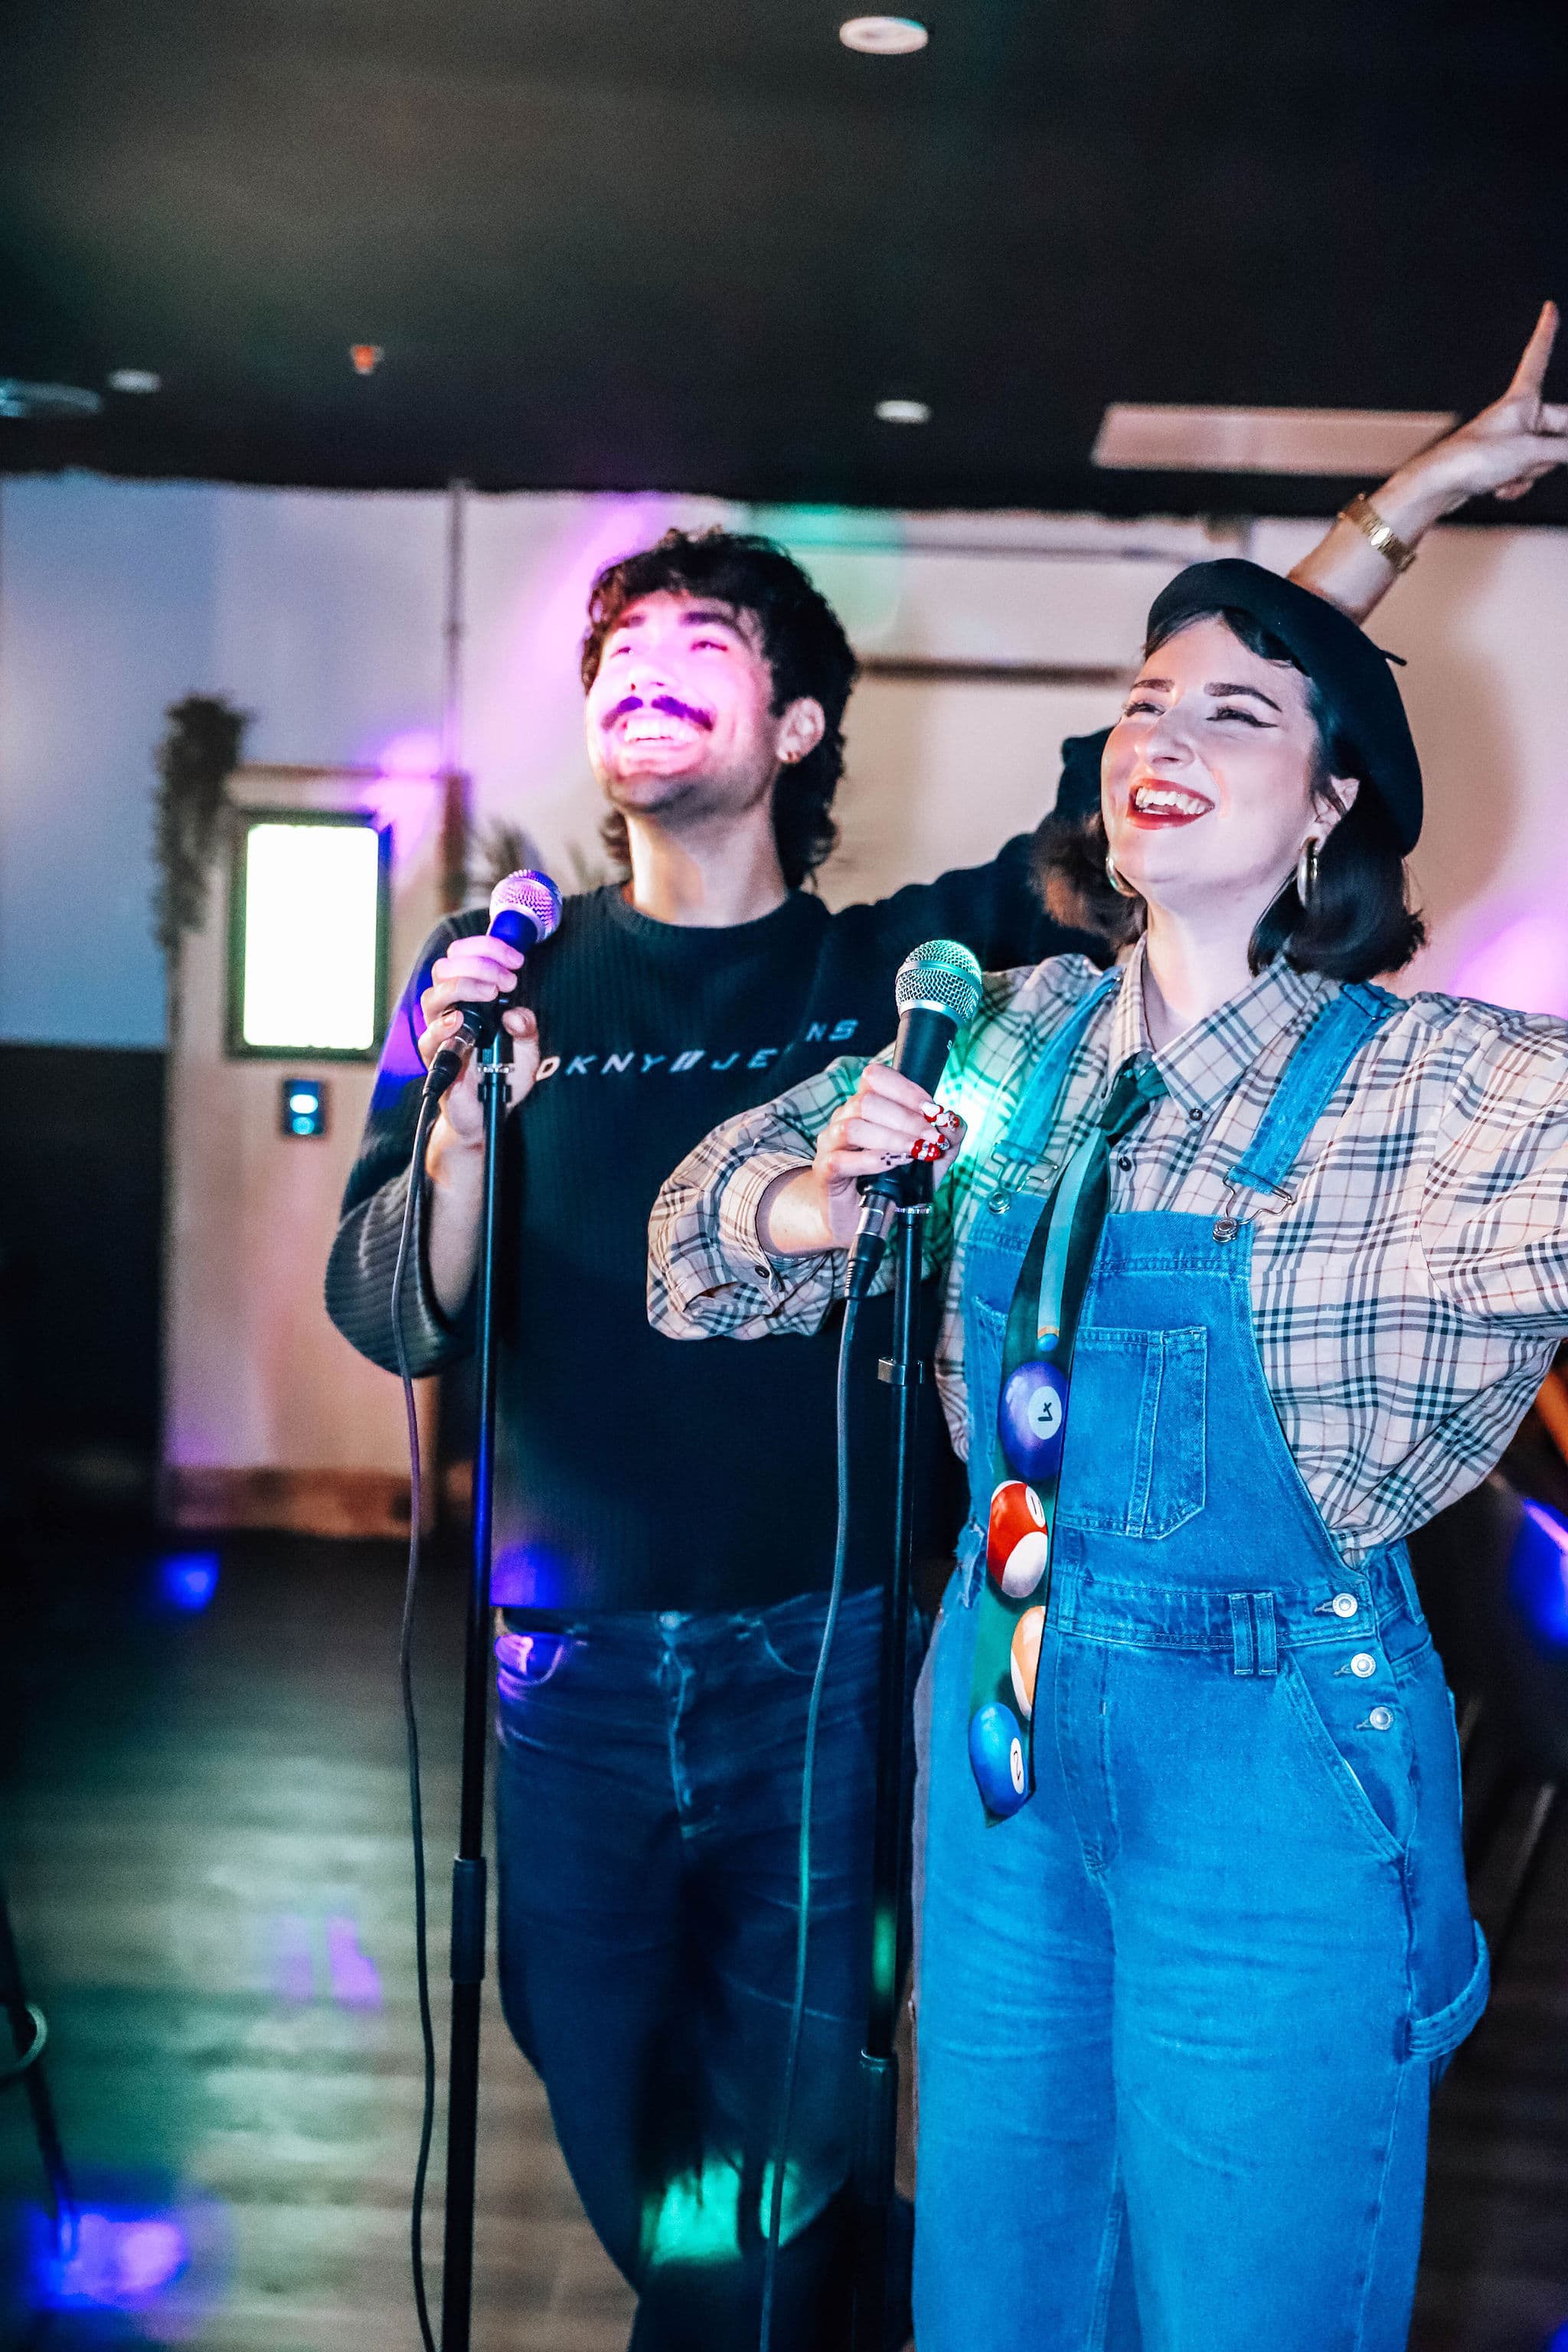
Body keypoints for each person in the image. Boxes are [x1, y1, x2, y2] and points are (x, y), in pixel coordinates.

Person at [327, 309, 1562, 2350]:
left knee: (812, 2171)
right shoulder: (522, 984)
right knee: (672, 2141)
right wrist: (464, 1118)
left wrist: (1405, 511)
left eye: (703, 648)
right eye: (616, 653)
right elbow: (415, 1310)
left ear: (802, 724)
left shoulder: (900, 976)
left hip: (839, 1658)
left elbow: (1207, 743)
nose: (644, 676)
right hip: (607, 1681)